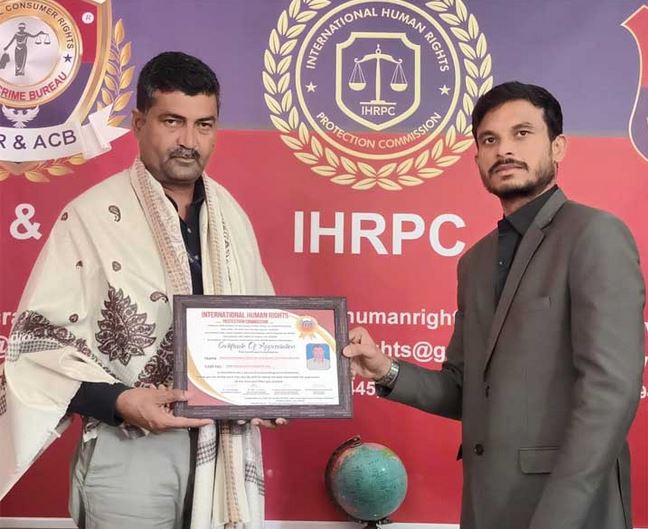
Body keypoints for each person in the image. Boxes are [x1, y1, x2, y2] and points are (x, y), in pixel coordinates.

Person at [344, 81, 645, 529]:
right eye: (489, 139)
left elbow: (611, 392)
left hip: (570, 512)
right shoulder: (475, 261)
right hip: (486, 508)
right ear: (477, 159)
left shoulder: (595, 235)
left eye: (522, 133)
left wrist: (556, 518)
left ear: (558, 147)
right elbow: (463, 389)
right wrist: (384, 369)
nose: (504, 149)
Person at [0, 51, 279, 529]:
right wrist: (119, 402)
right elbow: (34, 347)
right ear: (138, 123)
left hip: (224, 446)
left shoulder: (231, 216)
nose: (188, 141)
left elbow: (263, 325)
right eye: (172, 121)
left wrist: (276, 389)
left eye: (204, 125)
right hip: (130, 450)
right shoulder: (90, 217)